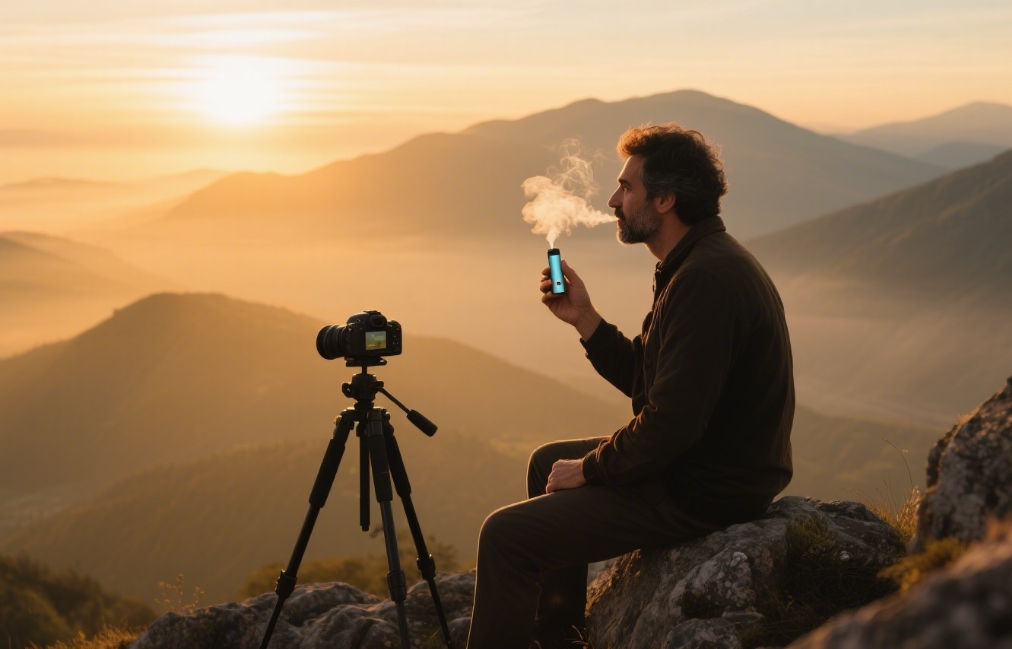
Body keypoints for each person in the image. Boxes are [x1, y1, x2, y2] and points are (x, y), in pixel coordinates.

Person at [465, 124, 794, 649]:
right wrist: (585, 318)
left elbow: (672, 424)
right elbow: (650, 376)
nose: (613, 200)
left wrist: (591, 468)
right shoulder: (695, 263)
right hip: (708, 462)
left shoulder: (704, 281)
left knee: (504, 536)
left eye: (626, 187)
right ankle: (562, 636)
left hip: (705, 487)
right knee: (546, 463)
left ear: (665, 199)